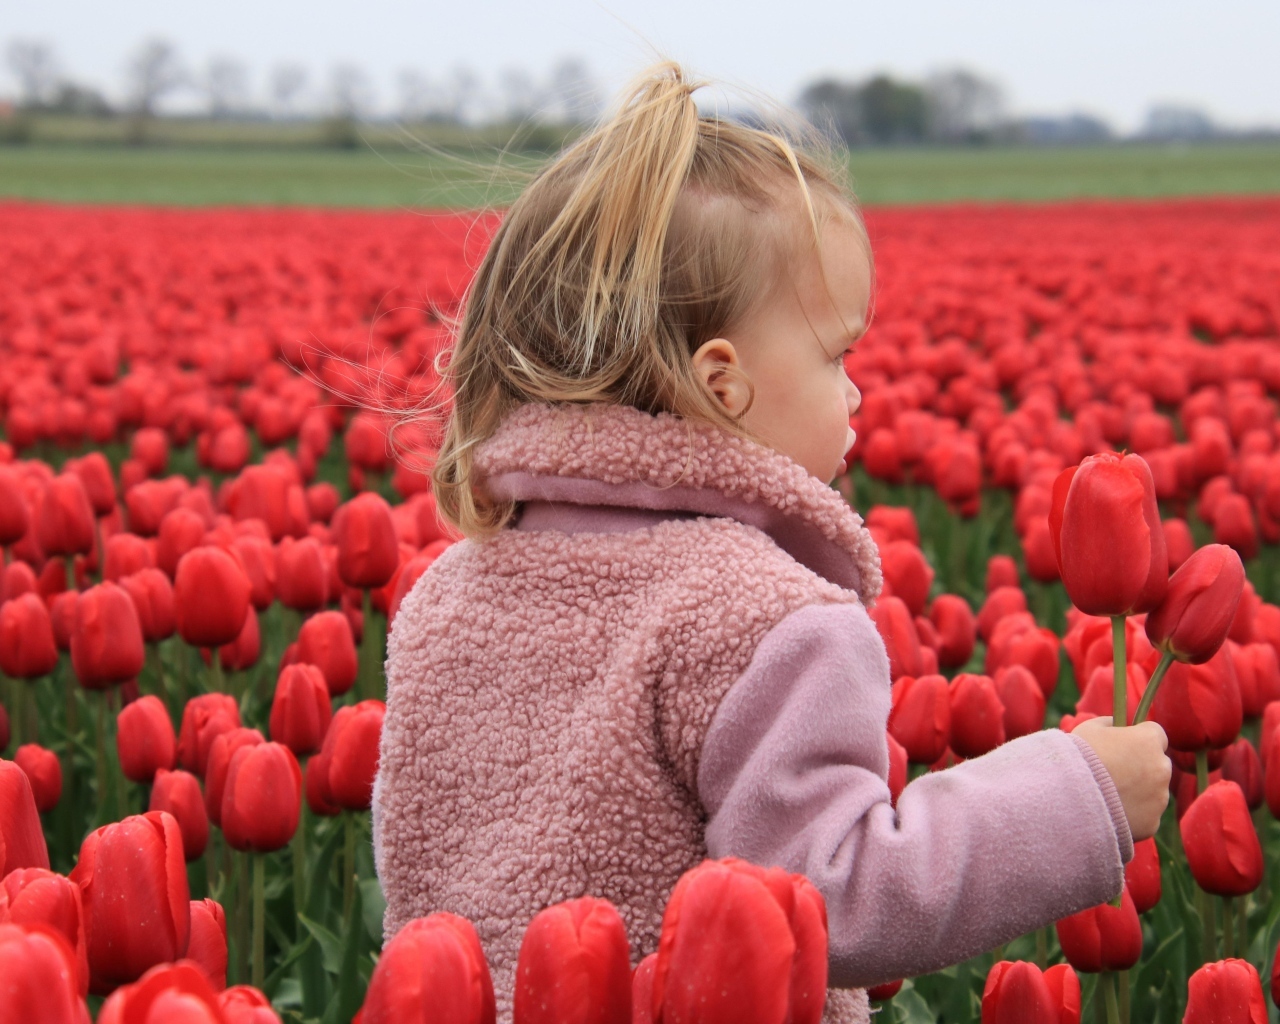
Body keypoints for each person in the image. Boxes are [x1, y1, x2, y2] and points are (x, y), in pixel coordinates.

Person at [371, 60, 1171, 1023]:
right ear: (723, 383)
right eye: (837, 355)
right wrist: (1073, 798)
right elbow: (830, 894)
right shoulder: (763, 618)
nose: (857, 392)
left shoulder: (449, 591)